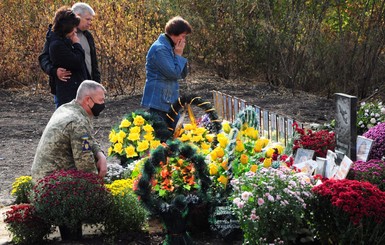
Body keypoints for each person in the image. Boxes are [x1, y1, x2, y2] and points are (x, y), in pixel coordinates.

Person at [31, 80, 107, 181]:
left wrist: (100, 154)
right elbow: (86, 166)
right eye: (101, 100)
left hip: (43, 176)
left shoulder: (66, 108)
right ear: (88, 100)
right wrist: (100, 187)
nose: (103, 104)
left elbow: (88, 139)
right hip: (52, 183)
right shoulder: (77, 122)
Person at [38, 2, 100, 108]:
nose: (90, 23)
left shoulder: (88, 36)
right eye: (87, 19)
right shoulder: (56, 36)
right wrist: (54, 71)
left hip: (86, 86)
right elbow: (44, 58)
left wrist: (96, 83)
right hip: (66, 88)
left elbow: (93, 63)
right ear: (77, 16)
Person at [141, 16, 192, 129]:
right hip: (159, 102)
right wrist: (178, 55)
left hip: (169, 102)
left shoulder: (169, 47)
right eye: (183, 36)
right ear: (174, 34)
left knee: (178, 136)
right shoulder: (160, 49)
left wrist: (178, 54)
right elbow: (173, 73)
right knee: (164, 139)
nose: (184, 40)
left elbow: (182, 74)